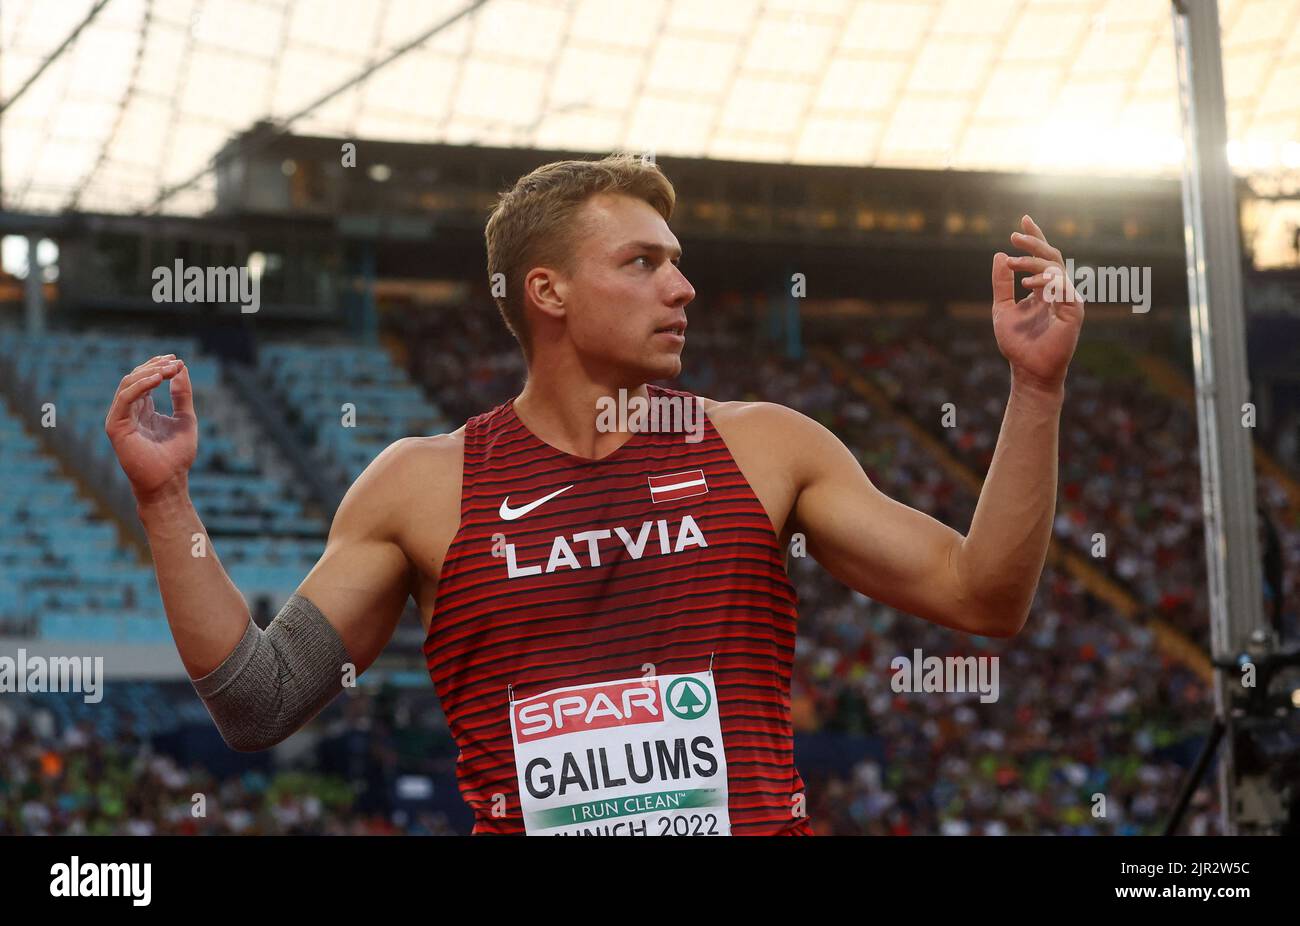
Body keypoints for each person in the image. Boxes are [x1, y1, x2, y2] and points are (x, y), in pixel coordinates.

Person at [104, 154, 1084, 835]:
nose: (683, 286)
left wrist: (1034, 390)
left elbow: (982, 593)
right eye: (642, 261)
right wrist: (165, 502)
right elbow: (258, 700)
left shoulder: (765, 445)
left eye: (677, 260)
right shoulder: (422, 484)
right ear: (548, 292)